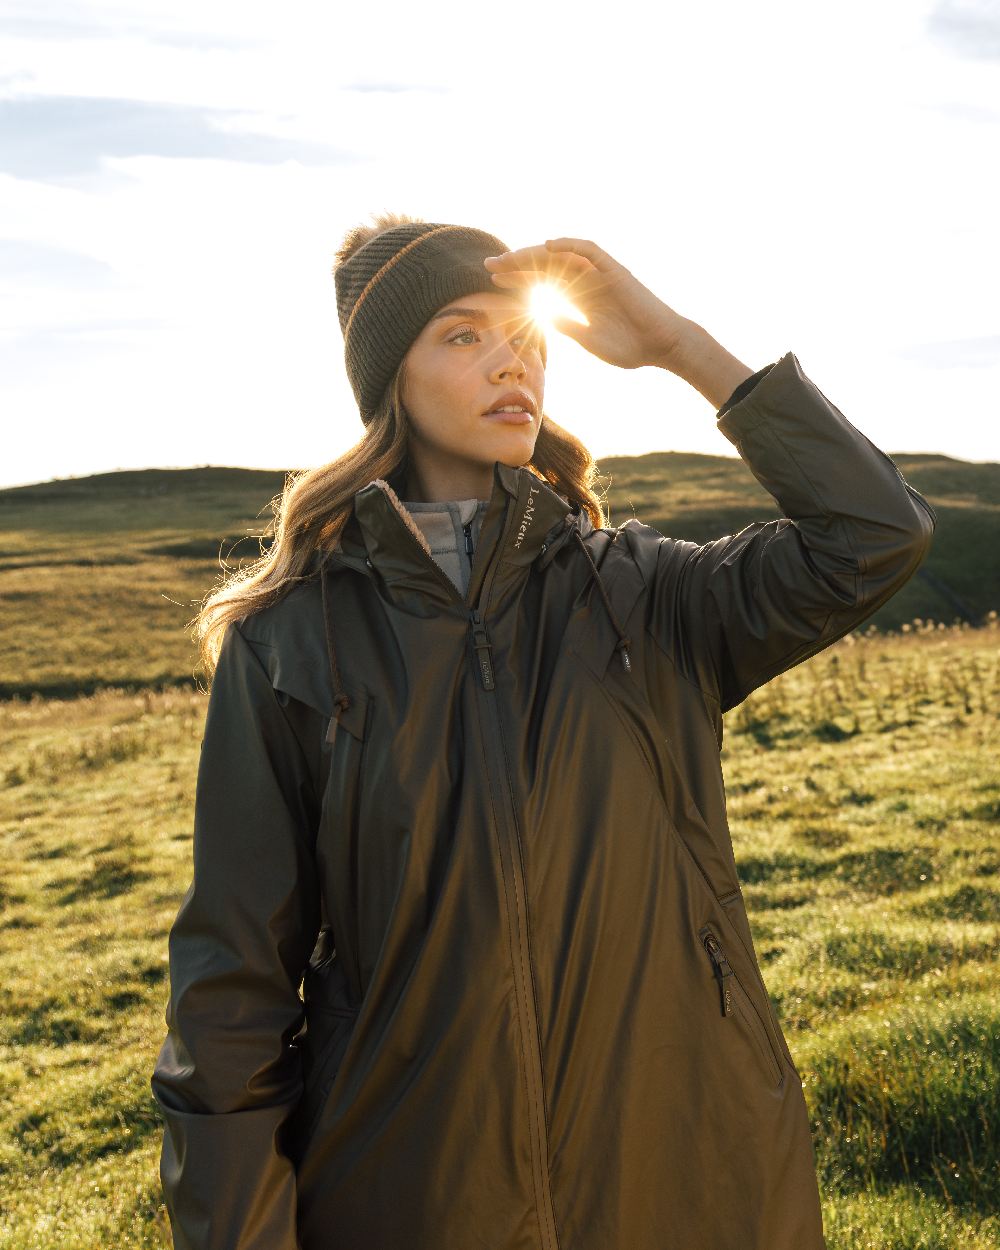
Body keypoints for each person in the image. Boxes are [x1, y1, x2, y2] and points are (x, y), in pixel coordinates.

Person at [150, 212, 937, 1250]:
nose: (510, 360)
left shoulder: (648, 595)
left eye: (524, 334)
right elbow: (233, 987)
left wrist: (677, 346)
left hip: (689, 1165)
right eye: (462, 335)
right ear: (391, 378)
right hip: (412, 1190)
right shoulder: (293, 640)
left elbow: (873, 535)